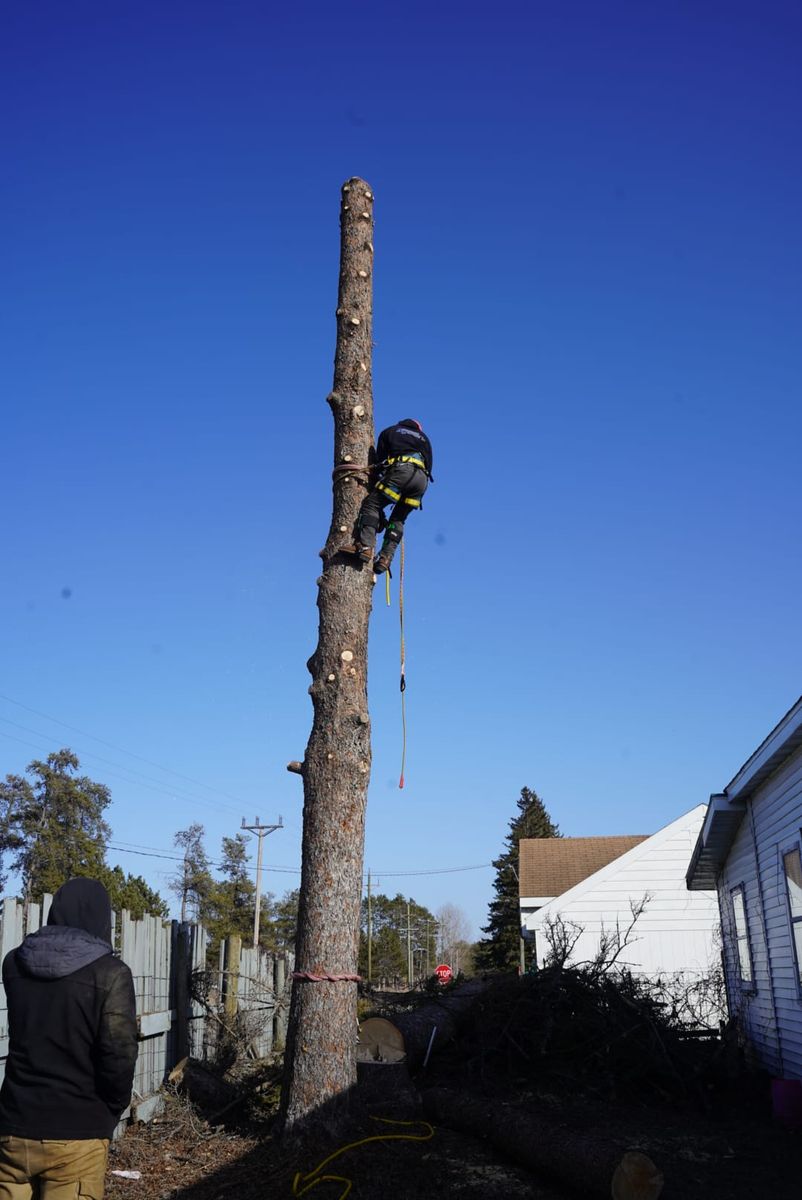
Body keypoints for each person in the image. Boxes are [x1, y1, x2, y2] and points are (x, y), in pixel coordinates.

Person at [0, 878, 138, 1200]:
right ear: (102, 919)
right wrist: (109, 1111)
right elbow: (119, 1055)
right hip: (77, 1134)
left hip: (12, 1130)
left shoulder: (13, 964)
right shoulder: (111, 974)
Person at [352, 418, 433, 574]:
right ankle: (385, 558)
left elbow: (380, 461)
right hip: (421, 481)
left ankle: (365, 547)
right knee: (398, 519)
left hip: (402, 472)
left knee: (372, 505)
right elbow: (429, 466)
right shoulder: (425, 439)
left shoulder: (390, 431)